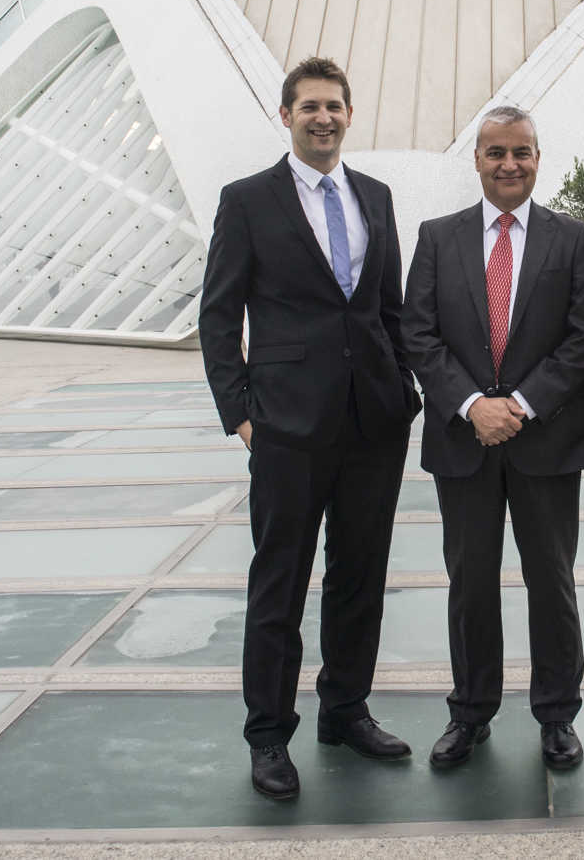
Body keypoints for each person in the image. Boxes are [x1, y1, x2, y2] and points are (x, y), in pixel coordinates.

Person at [196, 56, 423, 801]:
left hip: (373, 423)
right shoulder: (248, 200)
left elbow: (385, 308)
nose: (323, 117)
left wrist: (404, 391)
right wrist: (241, 413)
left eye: (334, 106)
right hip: (287, 425)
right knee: (281, 581)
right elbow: (219, 315)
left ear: (349, 115)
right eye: (309, 106)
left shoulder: (377, 198)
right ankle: (268, 735)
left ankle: (345, 708)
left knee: (360, 575)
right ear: (286, 114)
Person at [401, 105, 584, 771]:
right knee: (470, 581)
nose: (509, 163)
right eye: (496, 152)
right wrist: (469, 405)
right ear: (479, 159)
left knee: (552, 580)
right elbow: (418, 334)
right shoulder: (437, 237)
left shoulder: (572, 240)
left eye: (521, 151)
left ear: (538, 157)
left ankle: (556, 715)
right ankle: (471, 712)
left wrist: (517, 403)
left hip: (544, 442)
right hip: (464, 444)